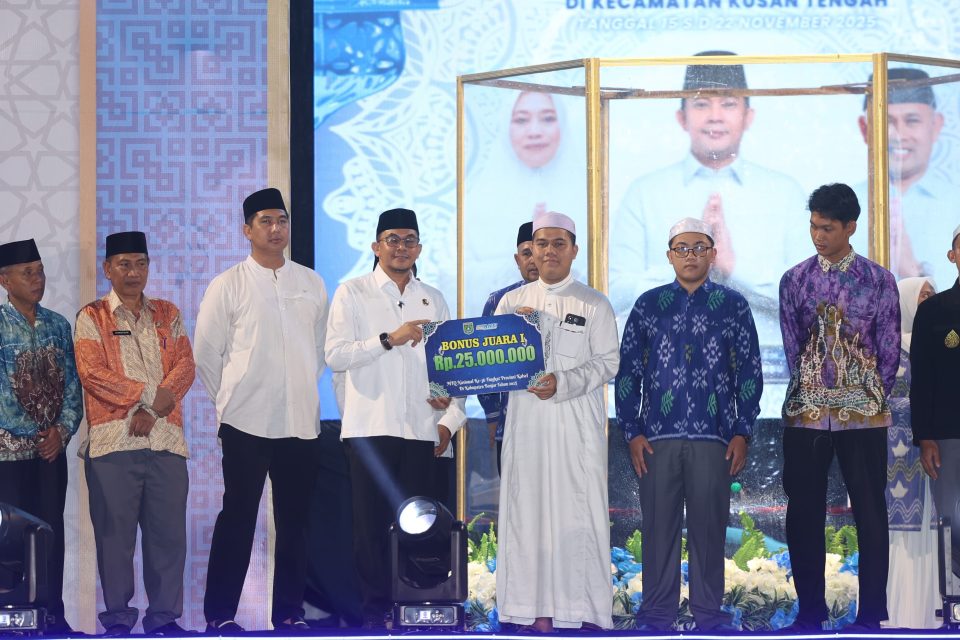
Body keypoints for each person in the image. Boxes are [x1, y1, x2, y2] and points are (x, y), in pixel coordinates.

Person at [615, 217, 763, 631]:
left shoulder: (733, 306)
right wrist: (632, 431)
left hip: (714, 438)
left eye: (699, 248)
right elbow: (628, 373)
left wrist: (742, 430)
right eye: (682, 248)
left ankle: (709, 614)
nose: (691, 256)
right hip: (656, 440)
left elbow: (749, 371)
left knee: (709, 531)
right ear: (669, 256)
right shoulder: (648, 305)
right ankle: (656, 615)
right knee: (658, 529)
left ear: (713, 254)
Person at [324, 207, 466, 629]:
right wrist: (390, 338)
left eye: (409, 240)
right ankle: (374, 614)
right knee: (370, 528)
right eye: (392, 240)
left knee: (421, 527)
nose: (401, 247)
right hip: (370, 429)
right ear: (376, 246)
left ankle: (415, 610)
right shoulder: (352, 293)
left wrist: (449, 419)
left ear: (419, 248)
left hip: (422, 431)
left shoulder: (434, 298)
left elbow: (453, 369)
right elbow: (335, 355)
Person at [194, 188, 328, 633]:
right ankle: (220, 616)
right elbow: (207, 354)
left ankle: (288, 613)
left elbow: (320, 350)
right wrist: (231, 400)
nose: (276, 229)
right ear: (247, 230)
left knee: (295, 523)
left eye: (282, 220)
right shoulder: (228, 283)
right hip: (245, 422)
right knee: (238, 518)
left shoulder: (311, 282)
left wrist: (298, 386)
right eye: (266, 221)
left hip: (300, 422)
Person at [611, 51, 807, 349]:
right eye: (701, 103)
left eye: (728, 103)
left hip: (766, 362)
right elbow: (615, 293)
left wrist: (733, 267)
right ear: (682, 117)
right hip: (665, 359)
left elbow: (808, 296)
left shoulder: (785, 193)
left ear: (748, 116)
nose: (715, 115)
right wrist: (689, 264)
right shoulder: (644, 193)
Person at [779, 183, 900, 631]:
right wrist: (815, 388)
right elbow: (793, 346)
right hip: (807, 412)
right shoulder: (795, 280)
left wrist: (865, 394)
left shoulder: (878, 280)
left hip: (864, 414)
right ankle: (809, 613)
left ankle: (870, 616)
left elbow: (889, 351)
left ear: (850, 227)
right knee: (803, 512)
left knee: (869, 512)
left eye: (827, 228)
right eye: (813, 226)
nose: (818, 236)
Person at [494, 210, 619, 632]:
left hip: (575, 428)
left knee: (574, 516)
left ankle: (578, 612)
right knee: (526, 515)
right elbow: (491, 363)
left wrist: (563, 382)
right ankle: (529, 611)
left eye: (559, 244)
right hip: (526, 427)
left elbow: (608, 362)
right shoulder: (511, 303)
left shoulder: (593, 303)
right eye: (542, 244)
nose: (549, 251)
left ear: (574, 250)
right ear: (531, 249)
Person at [74, 231, 195, 636]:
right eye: (124, 264)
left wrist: (154, 410)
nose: (133, 272)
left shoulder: (167, 312)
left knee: (169, 537)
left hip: (166, 441)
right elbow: (92, 373)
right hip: (114, 443)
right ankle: (118, 620)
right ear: (107, 269)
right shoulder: (92, 316)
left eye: (141, 264)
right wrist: (147, 397)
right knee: (115, 539)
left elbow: (185, 366)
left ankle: (164, 619)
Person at [0, 239, 82, 634]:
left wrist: (61, 431)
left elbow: (73, 389)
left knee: (51, 534)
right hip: (8, 456)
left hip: (51, 454)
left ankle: (52, 616)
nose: (38, 279)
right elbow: (2, 396)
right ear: (5, 280)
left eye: (40, 271)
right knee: (10, 539)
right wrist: (37, 433)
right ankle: (12, 617)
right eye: (27, 273)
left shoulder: (58, 325)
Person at [464, 90, 587, 317]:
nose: (534, 131)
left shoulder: (590, 197)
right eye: (522, 120)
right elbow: (454, 279)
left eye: (547, 118)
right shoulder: (478, 200)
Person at [853, 68, 960, 289]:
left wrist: (911, 271)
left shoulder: (955, 201)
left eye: (912, 121)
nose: (899, 136)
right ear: (865, 128)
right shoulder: (843, 204)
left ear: (936, 126)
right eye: (887, 122)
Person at [885, 276, 939, 629]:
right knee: (899, 534)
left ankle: (933, 608)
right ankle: (900, 612)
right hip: (894, 451)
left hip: (931, 446)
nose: (928, 300)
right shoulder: (888, 347)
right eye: (922, 295)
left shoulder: (936, 343)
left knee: (933, 528)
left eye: (932, 295)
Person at [910, 223, 960, 582]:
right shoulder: (934, 311)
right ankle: (952, 598)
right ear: (952, 255)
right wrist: (925, 436)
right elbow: (922, 379)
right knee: (951, 519)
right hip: (947, 434)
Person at [477, 221, 539, 474]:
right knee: (514, 494)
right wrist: (493, 417)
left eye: (538, 251)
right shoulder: (499, 301)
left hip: (561, 423)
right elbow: (483, 363)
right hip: (510, 421)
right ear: (517, 259)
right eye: (526, 253)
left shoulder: (572, 299)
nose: (533, 260)